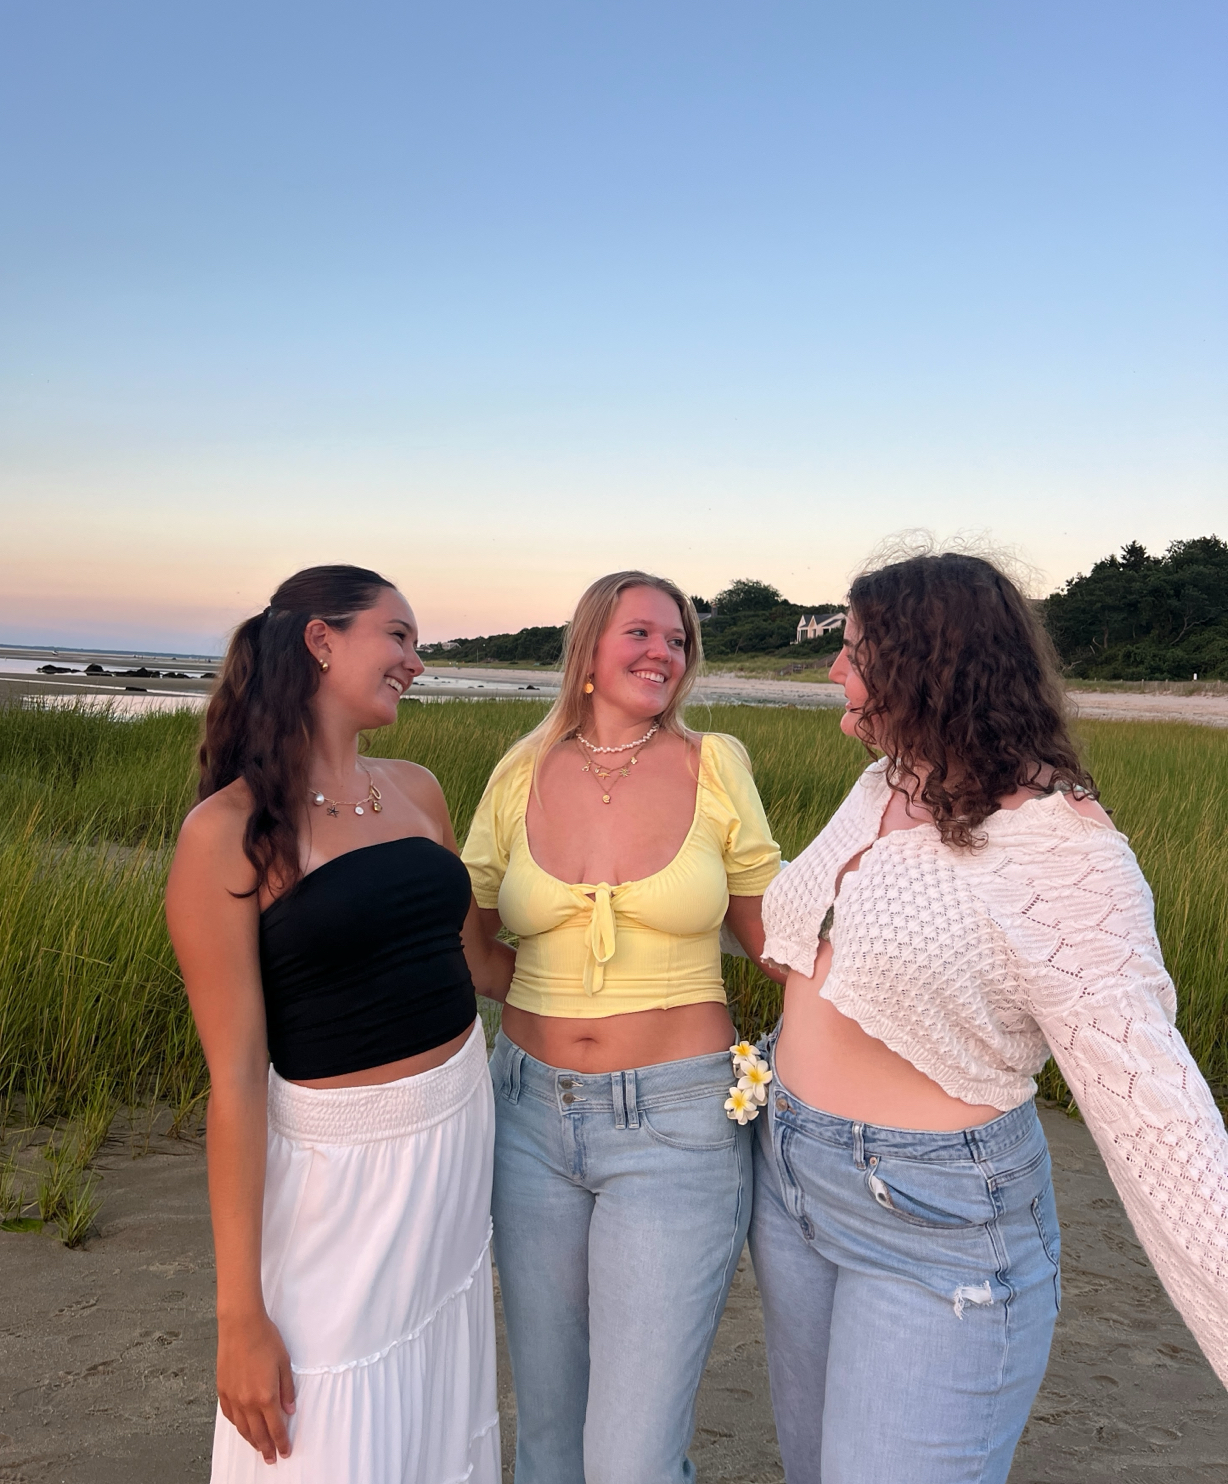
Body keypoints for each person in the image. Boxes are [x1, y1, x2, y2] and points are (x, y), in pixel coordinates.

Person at [751, 549, 1228, 1484]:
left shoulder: (1063, 854)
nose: (833, 670)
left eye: (853, 650)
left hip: (935, 1219)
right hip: (794, 1180)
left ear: (932, 665)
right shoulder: (886, 782)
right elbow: (815, 944)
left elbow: (1161, 1121)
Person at [165, 564, 501, 1484]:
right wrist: (240, 1317)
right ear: (322, 639)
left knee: (435, 1400)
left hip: (459, 1131)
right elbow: (234, 1081)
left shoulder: (419, 789)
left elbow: (480, 963)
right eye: (398, 637)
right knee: (324, 1430)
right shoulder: (228, 833)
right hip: (341, 1173)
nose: (416, 663)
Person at [460, 569, 785, 1484]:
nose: (664, 654)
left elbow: (773, 942)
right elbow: (471, 923)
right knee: (550, 1441)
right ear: (590, 653)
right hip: (526, 1116)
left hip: (676, 1129)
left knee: (631, 1460)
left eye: (678, 640)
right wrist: (540, 1005)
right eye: (642, 633)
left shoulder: (716, 762)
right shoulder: (520, 769)